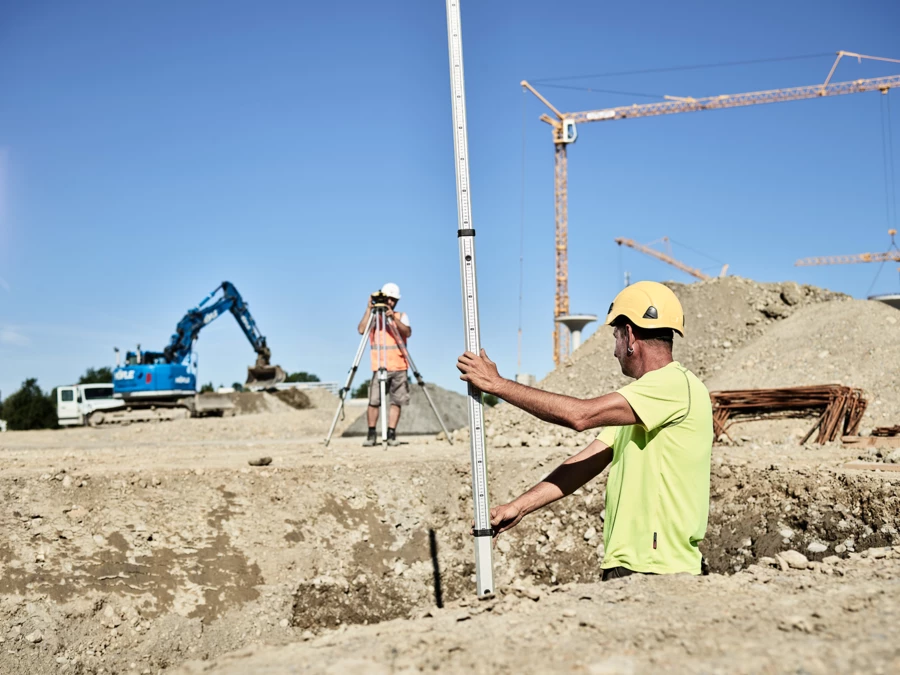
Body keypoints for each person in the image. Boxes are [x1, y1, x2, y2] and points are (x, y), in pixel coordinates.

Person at [457, 281, 713, 579]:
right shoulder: (643, 402)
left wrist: (498, 385)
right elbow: (585, 463)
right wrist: (520, 506)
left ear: (630, 334)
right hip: (634, 563)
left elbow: (581, 415)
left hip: (656, 568)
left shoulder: (671, 386)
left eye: (615, 337)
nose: (615, 352)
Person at [358, 282, 411, 447]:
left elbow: (407, 332)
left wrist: (392, 318)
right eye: (389, 299)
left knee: (396, 401)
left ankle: (391, 433)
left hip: (399, 365)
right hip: (379, 366)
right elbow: (361, 330)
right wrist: (369, 309)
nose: (391, 303)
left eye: (394, 300)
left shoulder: (400, 316)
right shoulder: (375, 318)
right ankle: (372, 433)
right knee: (374, 400)